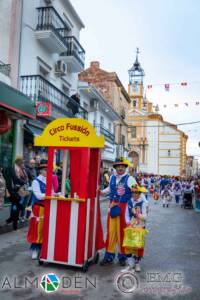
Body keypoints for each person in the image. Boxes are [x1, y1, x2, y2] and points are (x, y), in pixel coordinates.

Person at [100, 157, 137, 266]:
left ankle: (122, 256)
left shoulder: (130, 179)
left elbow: (137, 191)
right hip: (112, 207)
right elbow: (110, 189)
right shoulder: (112, 177)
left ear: (125, 167)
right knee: (111, 232)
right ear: (115, 167)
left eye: (122, 166)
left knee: (122, 232)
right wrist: (101, 192)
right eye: (118, 166)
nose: (120, 168)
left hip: (124, 209)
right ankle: (109, 256)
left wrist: (141, 204)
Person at [125, 186, 148, 272]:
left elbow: (145, 217)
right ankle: (131, 264)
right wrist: (128, 222)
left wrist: (136, 214)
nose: (134, 194)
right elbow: (126, 214)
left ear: (139, 193)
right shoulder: (129, 202)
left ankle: (137, 264)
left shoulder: (144, 203)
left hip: (139, 227)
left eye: (136, 192)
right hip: (130, 227)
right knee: (129, 245)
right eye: (133, 192)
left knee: (138, 247)